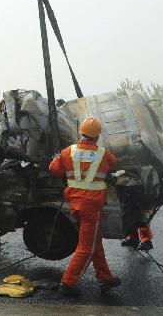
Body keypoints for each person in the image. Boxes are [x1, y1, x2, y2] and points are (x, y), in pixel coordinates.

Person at [48, 117, 121, 297]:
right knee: (86, 248)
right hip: (92, 206)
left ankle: (105, 278)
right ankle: (67, 283)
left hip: (76, 203)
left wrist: (58, 157)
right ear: (97, 137)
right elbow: (116, 162)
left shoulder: (68, 151)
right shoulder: (103, 153)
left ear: (80, 133)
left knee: (95, 242)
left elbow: (54, 169)